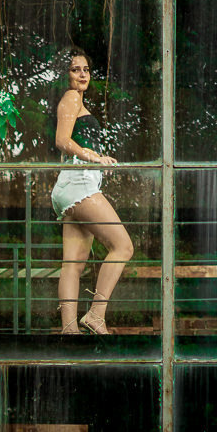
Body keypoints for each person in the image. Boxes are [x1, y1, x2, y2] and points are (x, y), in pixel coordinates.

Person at [51, 48, 134, 335]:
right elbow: (62, 140)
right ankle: (96, 315)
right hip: (78, 182)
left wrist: (95, 159)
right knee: (123, 246)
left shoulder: (76, 101)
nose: (83, 74)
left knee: (73, 264)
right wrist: (95, 158)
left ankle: (69, 330)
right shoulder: (72, 98)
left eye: (86, 69)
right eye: (76, 69)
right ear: (66, 75)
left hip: (71, 185)